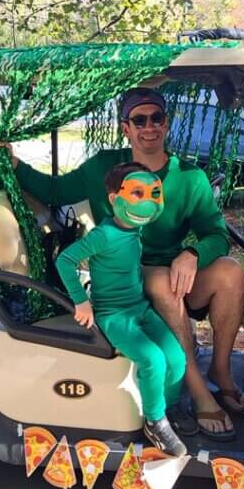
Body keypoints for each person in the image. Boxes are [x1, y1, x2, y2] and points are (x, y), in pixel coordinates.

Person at [8, 87, 244, 441]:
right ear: (126, 127)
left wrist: (193, 253)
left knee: (230, 271)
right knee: (163, 284)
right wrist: (14, 164)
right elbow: (55, 191)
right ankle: (199, 392)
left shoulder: (188, 176)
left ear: (167, 124)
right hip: (131, 271)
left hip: (177, 265)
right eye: (139, 120)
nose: (149, 126)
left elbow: (215, 233)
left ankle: (222, 371)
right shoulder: (105, 167)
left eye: (157, 118)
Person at [55, 163, 187, 457]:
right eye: (137, 194)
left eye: (152, 195)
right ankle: (155, 420)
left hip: (139, 307)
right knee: (152, 359)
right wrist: (81, 300)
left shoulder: (135, 227)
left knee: (176, 356)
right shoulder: (104, 235)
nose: (147, 203)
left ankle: (170, 407)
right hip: (113, 315)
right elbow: (65, 260)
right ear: (115, 199)